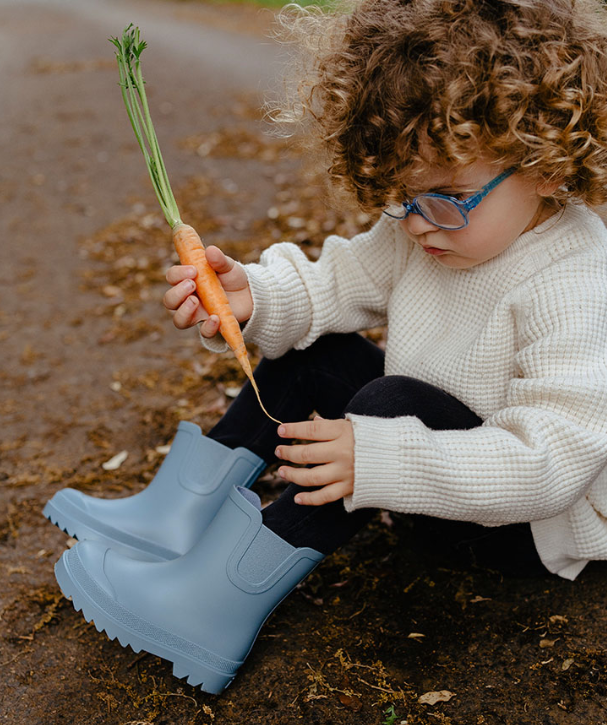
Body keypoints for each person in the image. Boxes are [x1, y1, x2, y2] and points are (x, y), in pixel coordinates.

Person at [46, 0, 607, 695]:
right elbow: (333, 284)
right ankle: (176, 517)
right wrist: (252, 295)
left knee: (385, 402)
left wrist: (380, 456)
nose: (415, 224)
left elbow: (549, 462)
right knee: (313, 352)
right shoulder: (426, 225)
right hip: (425, 456)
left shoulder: (575, 279)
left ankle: (212, 603)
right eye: (397, 195)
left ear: (546, 164)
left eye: (444, 198)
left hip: (518, 521)